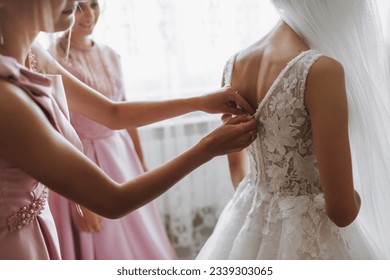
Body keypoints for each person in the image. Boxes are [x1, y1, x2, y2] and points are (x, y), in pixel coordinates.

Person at [0, 0, 258, 260]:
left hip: (40, 228)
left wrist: (198, 102)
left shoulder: (32, 52)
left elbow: (112, 113)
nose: (77, 3)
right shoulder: (6, 99)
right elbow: (113, 200)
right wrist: (209, 147)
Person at [197, 0, 390, 259]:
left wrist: (261, 212)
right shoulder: (321, 70)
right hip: (309, 235)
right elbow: (341, 213)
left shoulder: (234, 64)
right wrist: (357, 199)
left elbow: (236, 168)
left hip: (248, 215)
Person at [47, 0, 177, 260]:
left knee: (139, 235)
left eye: (94, 5)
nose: (89, 15)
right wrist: (79, 198)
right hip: (79, 159)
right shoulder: (51, 58)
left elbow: (124, 111)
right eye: (79, 7)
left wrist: (140, 162)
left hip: (120, 156)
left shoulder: (111, 55)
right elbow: (55, 127)